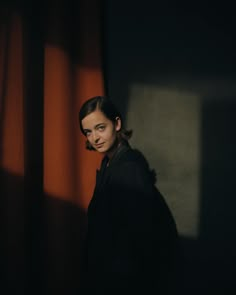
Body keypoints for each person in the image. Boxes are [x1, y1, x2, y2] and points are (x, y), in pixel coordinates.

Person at [79, 96, 178, 294]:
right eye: (88, 132)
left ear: (116, 123)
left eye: (100, 128)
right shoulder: (110, 163)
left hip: (124, 281)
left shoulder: (127, 168)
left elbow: (138, 238)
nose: (95, 138)